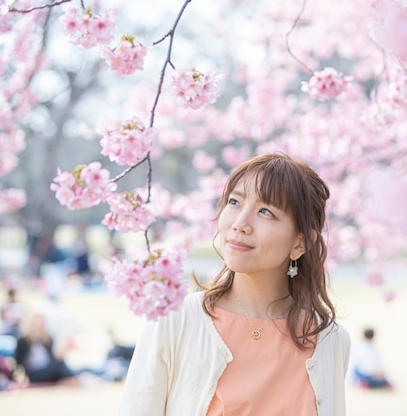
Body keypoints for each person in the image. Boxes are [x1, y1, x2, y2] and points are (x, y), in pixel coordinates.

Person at [118, 153, 351, 416]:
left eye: (266, 211)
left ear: (300, 242)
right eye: (234, 202)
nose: (240, 224)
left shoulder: (329, 340)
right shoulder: (176, 320)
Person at [13, 312, 78, 386]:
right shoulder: (23, 341)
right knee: (57, 368)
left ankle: (73, 377)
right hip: (34, 372)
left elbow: (52, 359)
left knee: (60, 364)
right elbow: (18, 362)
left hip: (48, 368)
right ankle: (73, 378)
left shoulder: (47, 339)